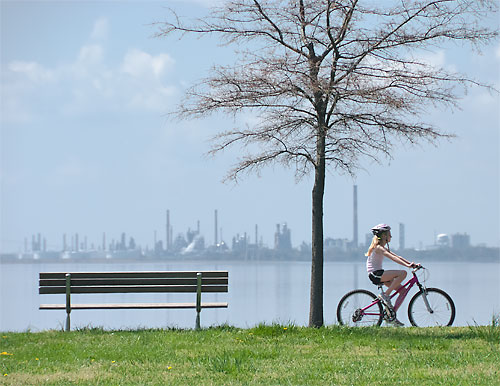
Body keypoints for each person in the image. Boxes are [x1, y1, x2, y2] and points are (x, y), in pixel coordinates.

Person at [365, 224, 420, 326]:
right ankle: (385, 295)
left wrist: (411, 264)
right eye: (389, 234)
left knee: (403, 291)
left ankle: (391, 317)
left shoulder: (382, 247)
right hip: (375, 274)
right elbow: (393, 258)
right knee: (403, 273)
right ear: (384, 236)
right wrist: (407, 266)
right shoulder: (378, 248)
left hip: (379, 274)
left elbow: (397, 256)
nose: (391, 236)